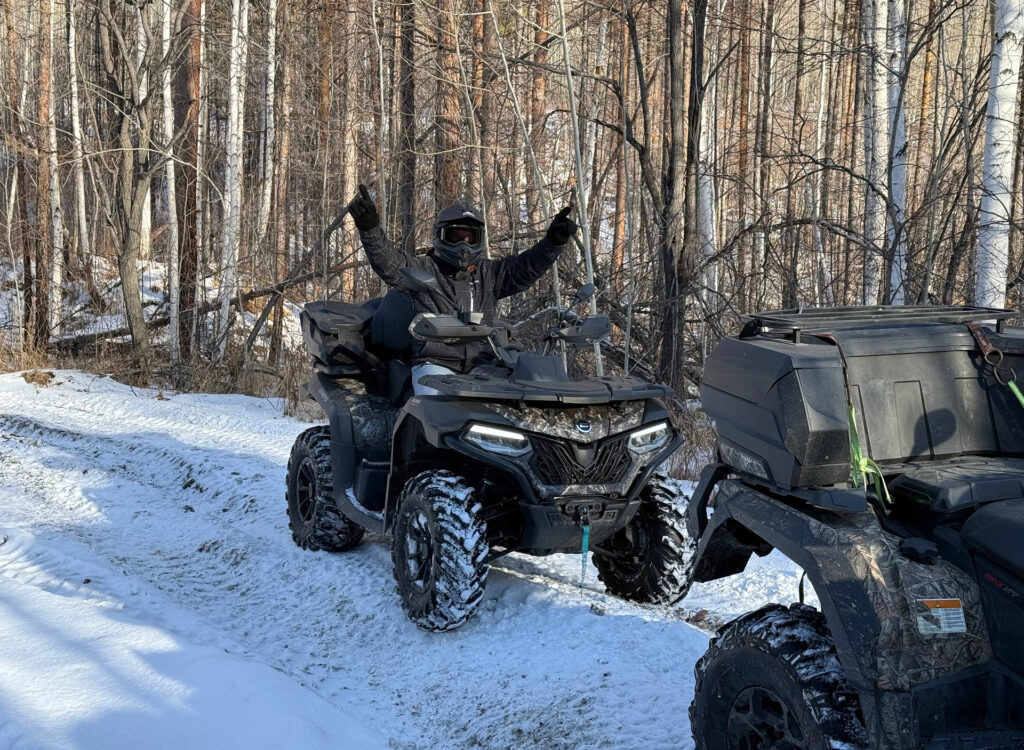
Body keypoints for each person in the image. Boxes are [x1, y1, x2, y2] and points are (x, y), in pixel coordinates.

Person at [347, 184, 578, 395]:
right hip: (435, 365)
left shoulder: (490, 273)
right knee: (434, 405)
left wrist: (553, 242)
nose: (463, 245)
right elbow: (388, 262)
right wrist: (370, 228)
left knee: (517, 407)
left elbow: (525, 268)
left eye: (470, 237)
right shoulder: (422, 270)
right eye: (455, 237)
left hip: (485, 364)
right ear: (440, 236)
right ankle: (421, 441)